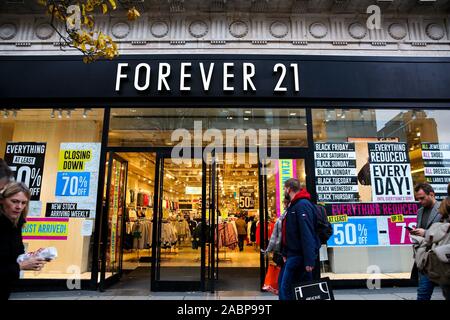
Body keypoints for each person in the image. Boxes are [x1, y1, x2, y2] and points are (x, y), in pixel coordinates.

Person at [0, 182, 47, 300]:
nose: (19, 207)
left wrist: (33, 257)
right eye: (14, 201)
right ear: (2, 200)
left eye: (23, 203)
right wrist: (21, 265)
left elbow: (14, 256)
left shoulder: (16, 224)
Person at [278, 178, 320, 300]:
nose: (284, 191)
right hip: (292, 255)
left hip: (299, 256)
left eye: (285, 188)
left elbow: (307, 233)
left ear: (289, 189)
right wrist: (285, 252)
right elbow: (291, 232)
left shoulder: (302, 205)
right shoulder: (294, 205)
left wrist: (309, 261)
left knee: (285, 289)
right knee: (287, 287)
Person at [409, 183, 442, 300]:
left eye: (422, 198)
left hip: (441, 257)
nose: (420, 201)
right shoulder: (420, 212)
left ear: (432, 194)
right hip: (425, 259)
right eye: (417, 199)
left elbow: (446, 231)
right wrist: (416, 233)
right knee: (423, 292)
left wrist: (425, 232)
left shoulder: (444, 209)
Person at [261, 194, 290, 266]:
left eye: (284, 203)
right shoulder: (282, 217)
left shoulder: (283, 217)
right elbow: (274, 236)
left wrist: (268, 249)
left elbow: (274, 236)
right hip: (283, 250)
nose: (283, 205)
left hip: (285, 249)